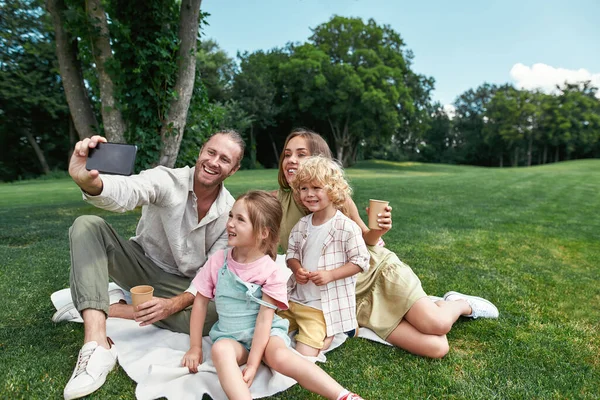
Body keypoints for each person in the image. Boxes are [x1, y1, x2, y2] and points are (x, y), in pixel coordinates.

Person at [274, 128, 499, 359]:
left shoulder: (336, 198)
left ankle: (459, 303)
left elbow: (365, 241)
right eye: (287, 154)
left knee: (438, 324)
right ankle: (409, 311)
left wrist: (377, 230)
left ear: (319, 162)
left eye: (301, 154)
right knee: (437, 348)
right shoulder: (275, 202)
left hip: (377, 273)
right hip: (350, 298)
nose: (291, 160)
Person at [61, 131, 245, 400]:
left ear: (234, 169)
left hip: (180, 283)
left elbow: (211, 273)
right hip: (140, 265)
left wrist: (173, 304)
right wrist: (92, 185)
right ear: (201, 151)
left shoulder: (228, 210)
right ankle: (97, 342)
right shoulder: (167, 180)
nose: (214, 161)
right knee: (87, 225)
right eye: (211, 152)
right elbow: (128, 191)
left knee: (220, 314)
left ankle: (102, 306)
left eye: (225, 159)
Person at [181, 191, 364, 400]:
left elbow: (263, 321)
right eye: (231, 216)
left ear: (263, 233)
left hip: (266, 334)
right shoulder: (218, 261)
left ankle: (343, 395)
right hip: (231, 338)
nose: (230, 223)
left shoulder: (271, 271)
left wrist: (252, 365)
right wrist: (195, 347)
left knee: (280, 357)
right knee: (221, 350)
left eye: (240, 219)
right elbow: (201, 302)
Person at [278, 156, 369, 357]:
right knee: (267, 332)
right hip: (295, 301)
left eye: (316, 188)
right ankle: (323, 330)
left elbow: (361, 261)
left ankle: (331, 331)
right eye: (303, 188)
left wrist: (331, 275)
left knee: (304, 353)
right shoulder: (302, 225)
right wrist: (296, 268)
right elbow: (291, 254)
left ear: (333, 190)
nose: (309, 194)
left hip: (321, 307)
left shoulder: (346, 227)